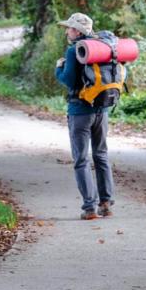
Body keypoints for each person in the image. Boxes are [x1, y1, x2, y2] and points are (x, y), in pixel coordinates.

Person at [53, 12, 116, 220]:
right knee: (101, 155)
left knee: (81, 159)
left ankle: (89, 208)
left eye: (69, 28)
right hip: (102, 110)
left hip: (80, 112)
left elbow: (69, 80)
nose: (67, 32)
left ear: (78, 32)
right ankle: (105, 204)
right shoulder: (103, 47)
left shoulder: (74, 51)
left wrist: (59, 68)